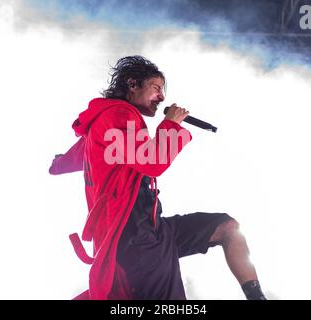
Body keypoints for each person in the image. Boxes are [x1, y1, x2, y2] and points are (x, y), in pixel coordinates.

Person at [49, 55, 266, 300]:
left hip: (152, 229)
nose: (162, 97)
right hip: (135, 238)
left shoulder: (110, 122)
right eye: (156, 88)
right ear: (132, 85)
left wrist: (58, 162)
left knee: (227, 227)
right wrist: (171, 124)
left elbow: (74, 159)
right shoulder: (119, 115)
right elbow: (151, 163)